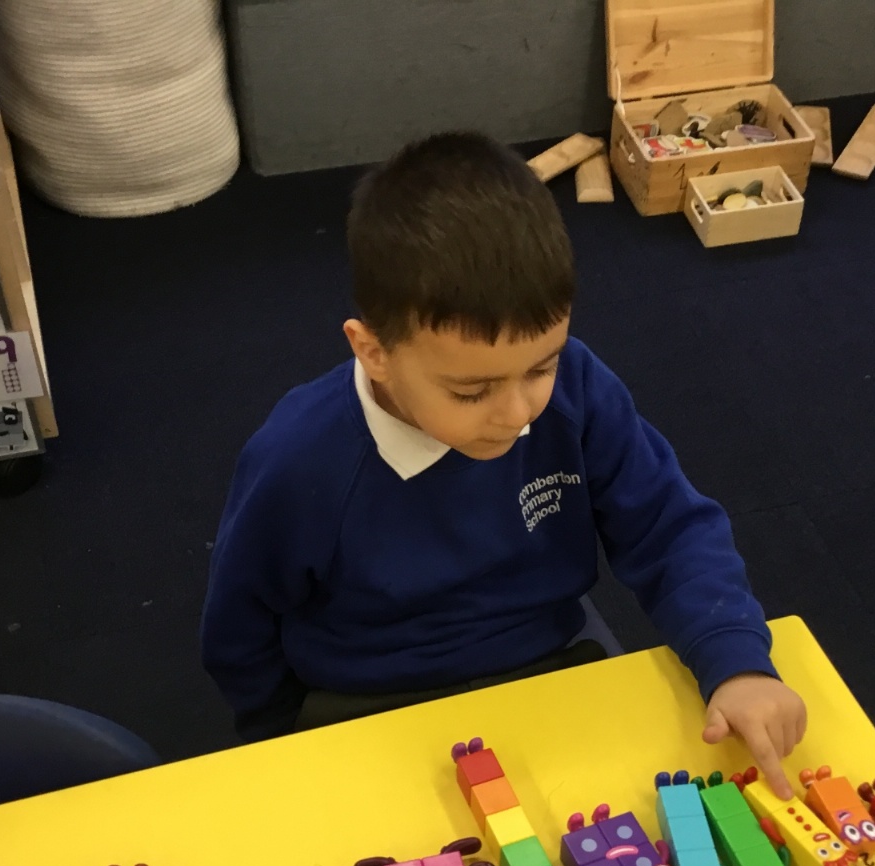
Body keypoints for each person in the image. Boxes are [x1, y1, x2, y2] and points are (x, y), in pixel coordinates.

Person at [201, 131, 806, 794]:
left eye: (540, 367)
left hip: (547, 659)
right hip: (367, 699)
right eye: (471, 392)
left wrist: (737, 663)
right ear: (374, 353)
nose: (519, 413)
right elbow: (240, 625)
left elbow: (669, 528)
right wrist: (276, 741)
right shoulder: (298, 459)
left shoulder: (576, 387)